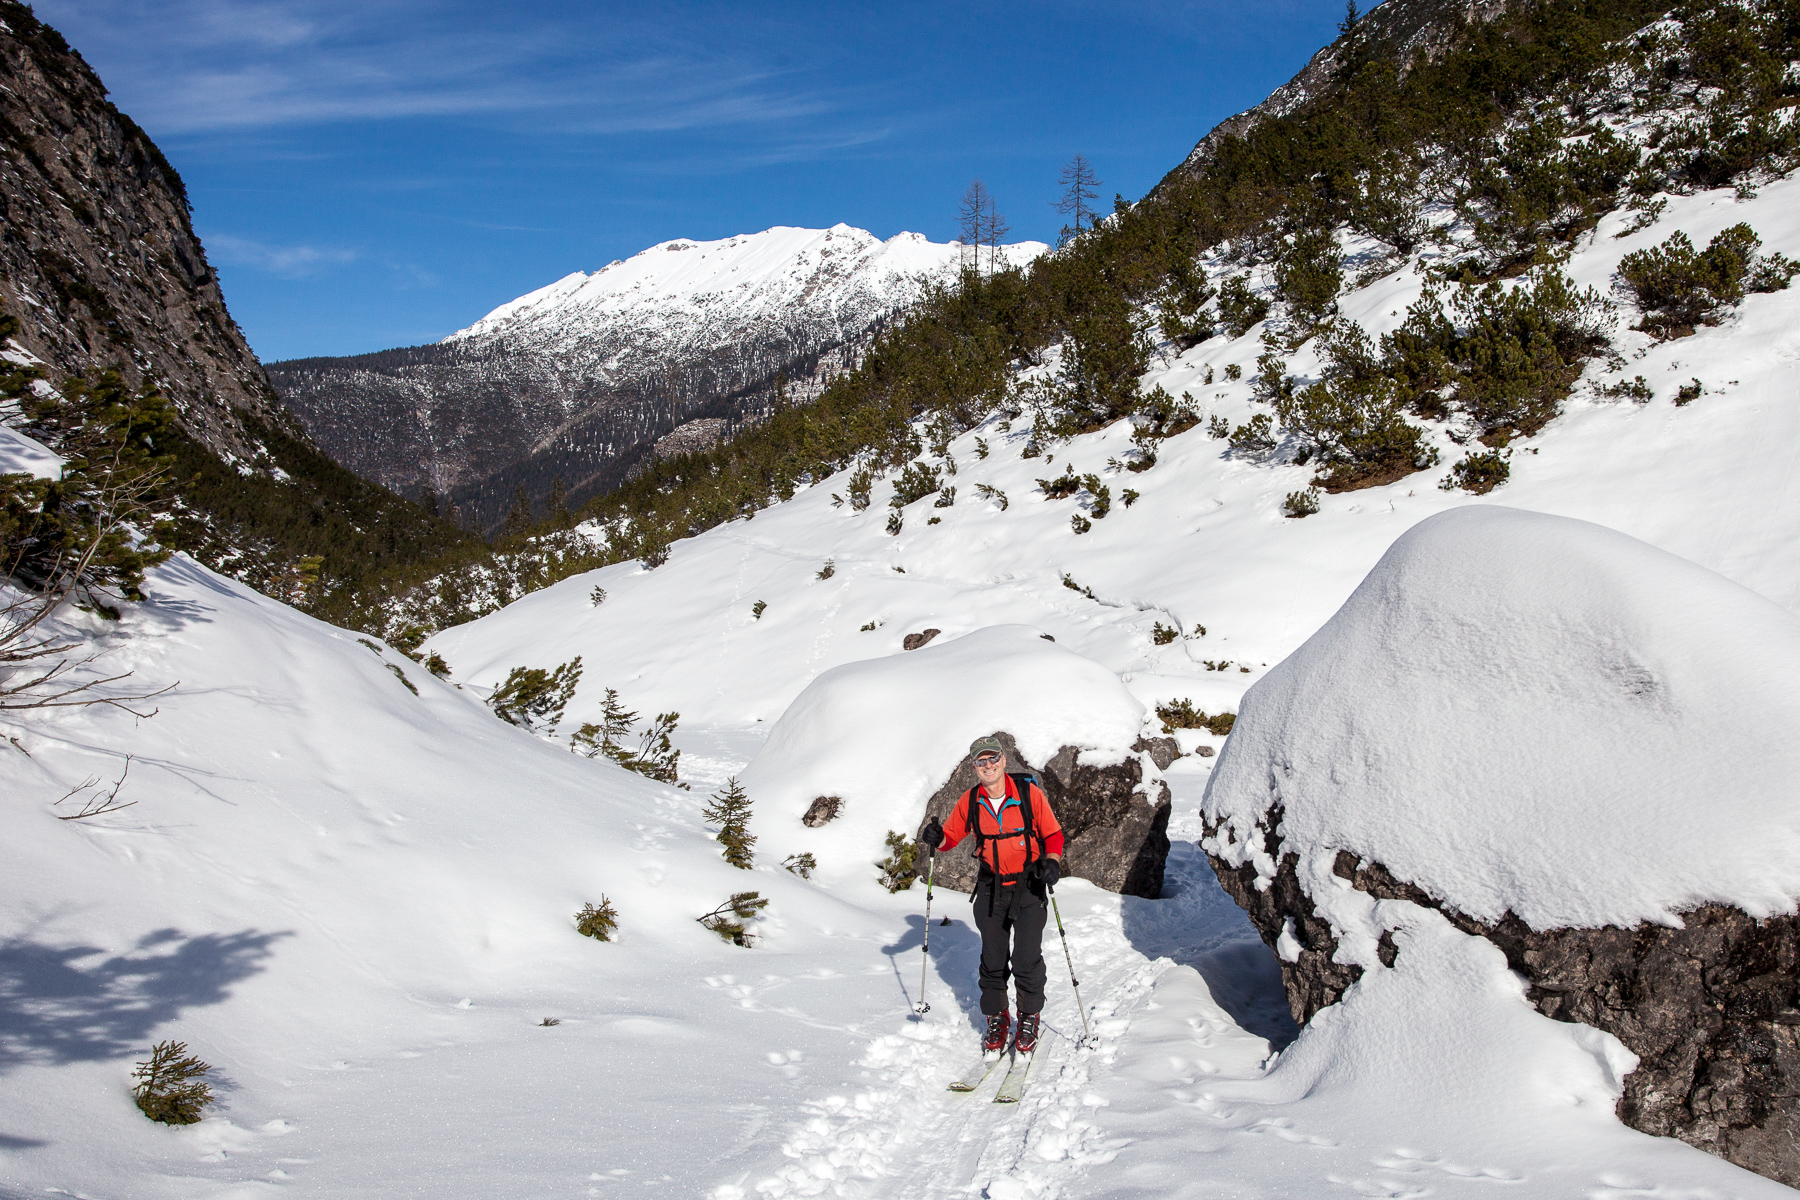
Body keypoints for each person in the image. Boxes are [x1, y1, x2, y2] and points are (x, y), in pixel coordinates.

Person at [918, 736, 1065, 1056]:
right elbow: (950, 838)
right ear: (974, 767)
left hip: (1029, 887)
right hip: (990, 888)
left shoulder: (1029, 794)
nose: (988, 766)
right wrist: (937, 836)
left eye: (993, 759)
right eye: (981, 762)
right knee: (993, 961)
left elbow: (1053, 834)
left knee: (1027, 959)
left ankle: (1028, 1017)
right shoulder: (971, 800)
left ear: (1003, 760)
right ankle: (997, 1018)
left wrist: (1051, 863)